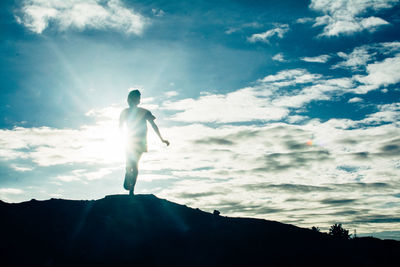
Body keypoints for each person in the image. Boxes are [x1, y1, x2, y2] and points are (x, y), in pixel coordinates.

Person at [119, 89, 169, 196]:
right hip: (129, 141)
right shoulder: (125, 112)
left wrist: (161, 139)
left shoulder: (144, 112)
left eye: (138, 98)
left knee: (135, 164)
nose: (136, 100)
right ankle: (128, 175)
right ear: (129, 99)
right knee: (129, 164)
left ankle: (132, 190)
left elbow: (153, 125)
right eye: (134, 98)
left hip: (140, 142)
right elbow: (120, 127)